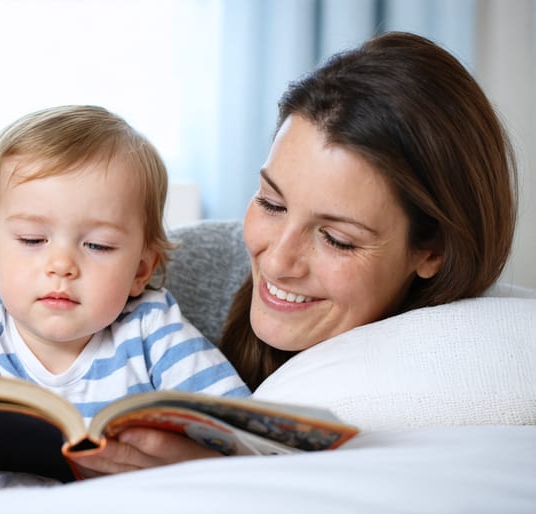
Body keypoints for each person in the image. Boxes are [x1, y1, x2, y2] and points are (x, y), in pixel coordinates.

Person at [68, 31, 518, 476]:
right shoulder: (168, 281)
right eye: (271, 203)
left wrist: (223, 479)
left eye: (336, 239)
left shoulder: (463, 357)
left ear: (431, 251)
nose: (278, 261)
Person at [0, 105, 250, 499]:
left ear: (141, 270)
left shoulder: (154, 329)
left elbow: (242, 431)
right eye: (32, 240)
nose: (61, 266)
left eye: (98, 245)